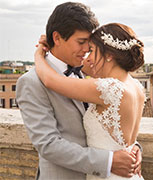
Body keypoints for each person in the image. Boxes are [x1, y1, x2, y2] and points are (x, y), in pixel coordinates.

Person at [16, 2, 142, 180]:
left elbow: (112, 122)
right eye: (81, 42)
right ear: (57, 38)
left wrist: (134, 148)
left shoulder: (90, 74)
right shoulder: (31, 82)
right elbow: (48, 145)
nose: (86, 51)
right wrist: (109, 161)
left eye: (90, 45)